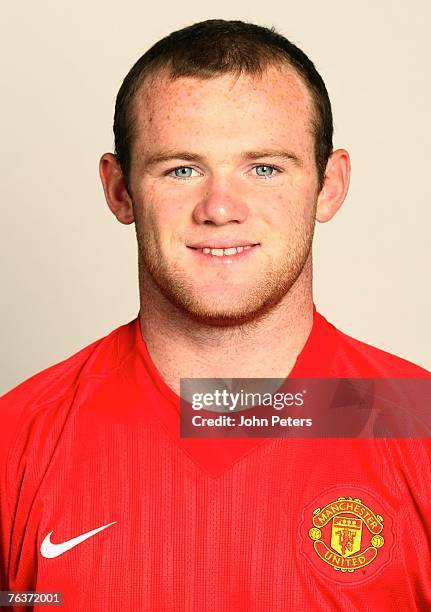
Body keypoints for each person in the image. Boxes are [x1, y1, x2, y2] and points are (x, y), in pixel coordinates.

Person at [1, 19, 430, 611]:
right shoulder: (14, 443)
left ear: (329, 185)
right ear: (120, 189)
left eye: (264, 167)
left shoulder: (419, 426)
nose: (220, 208)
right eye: (181, 169)